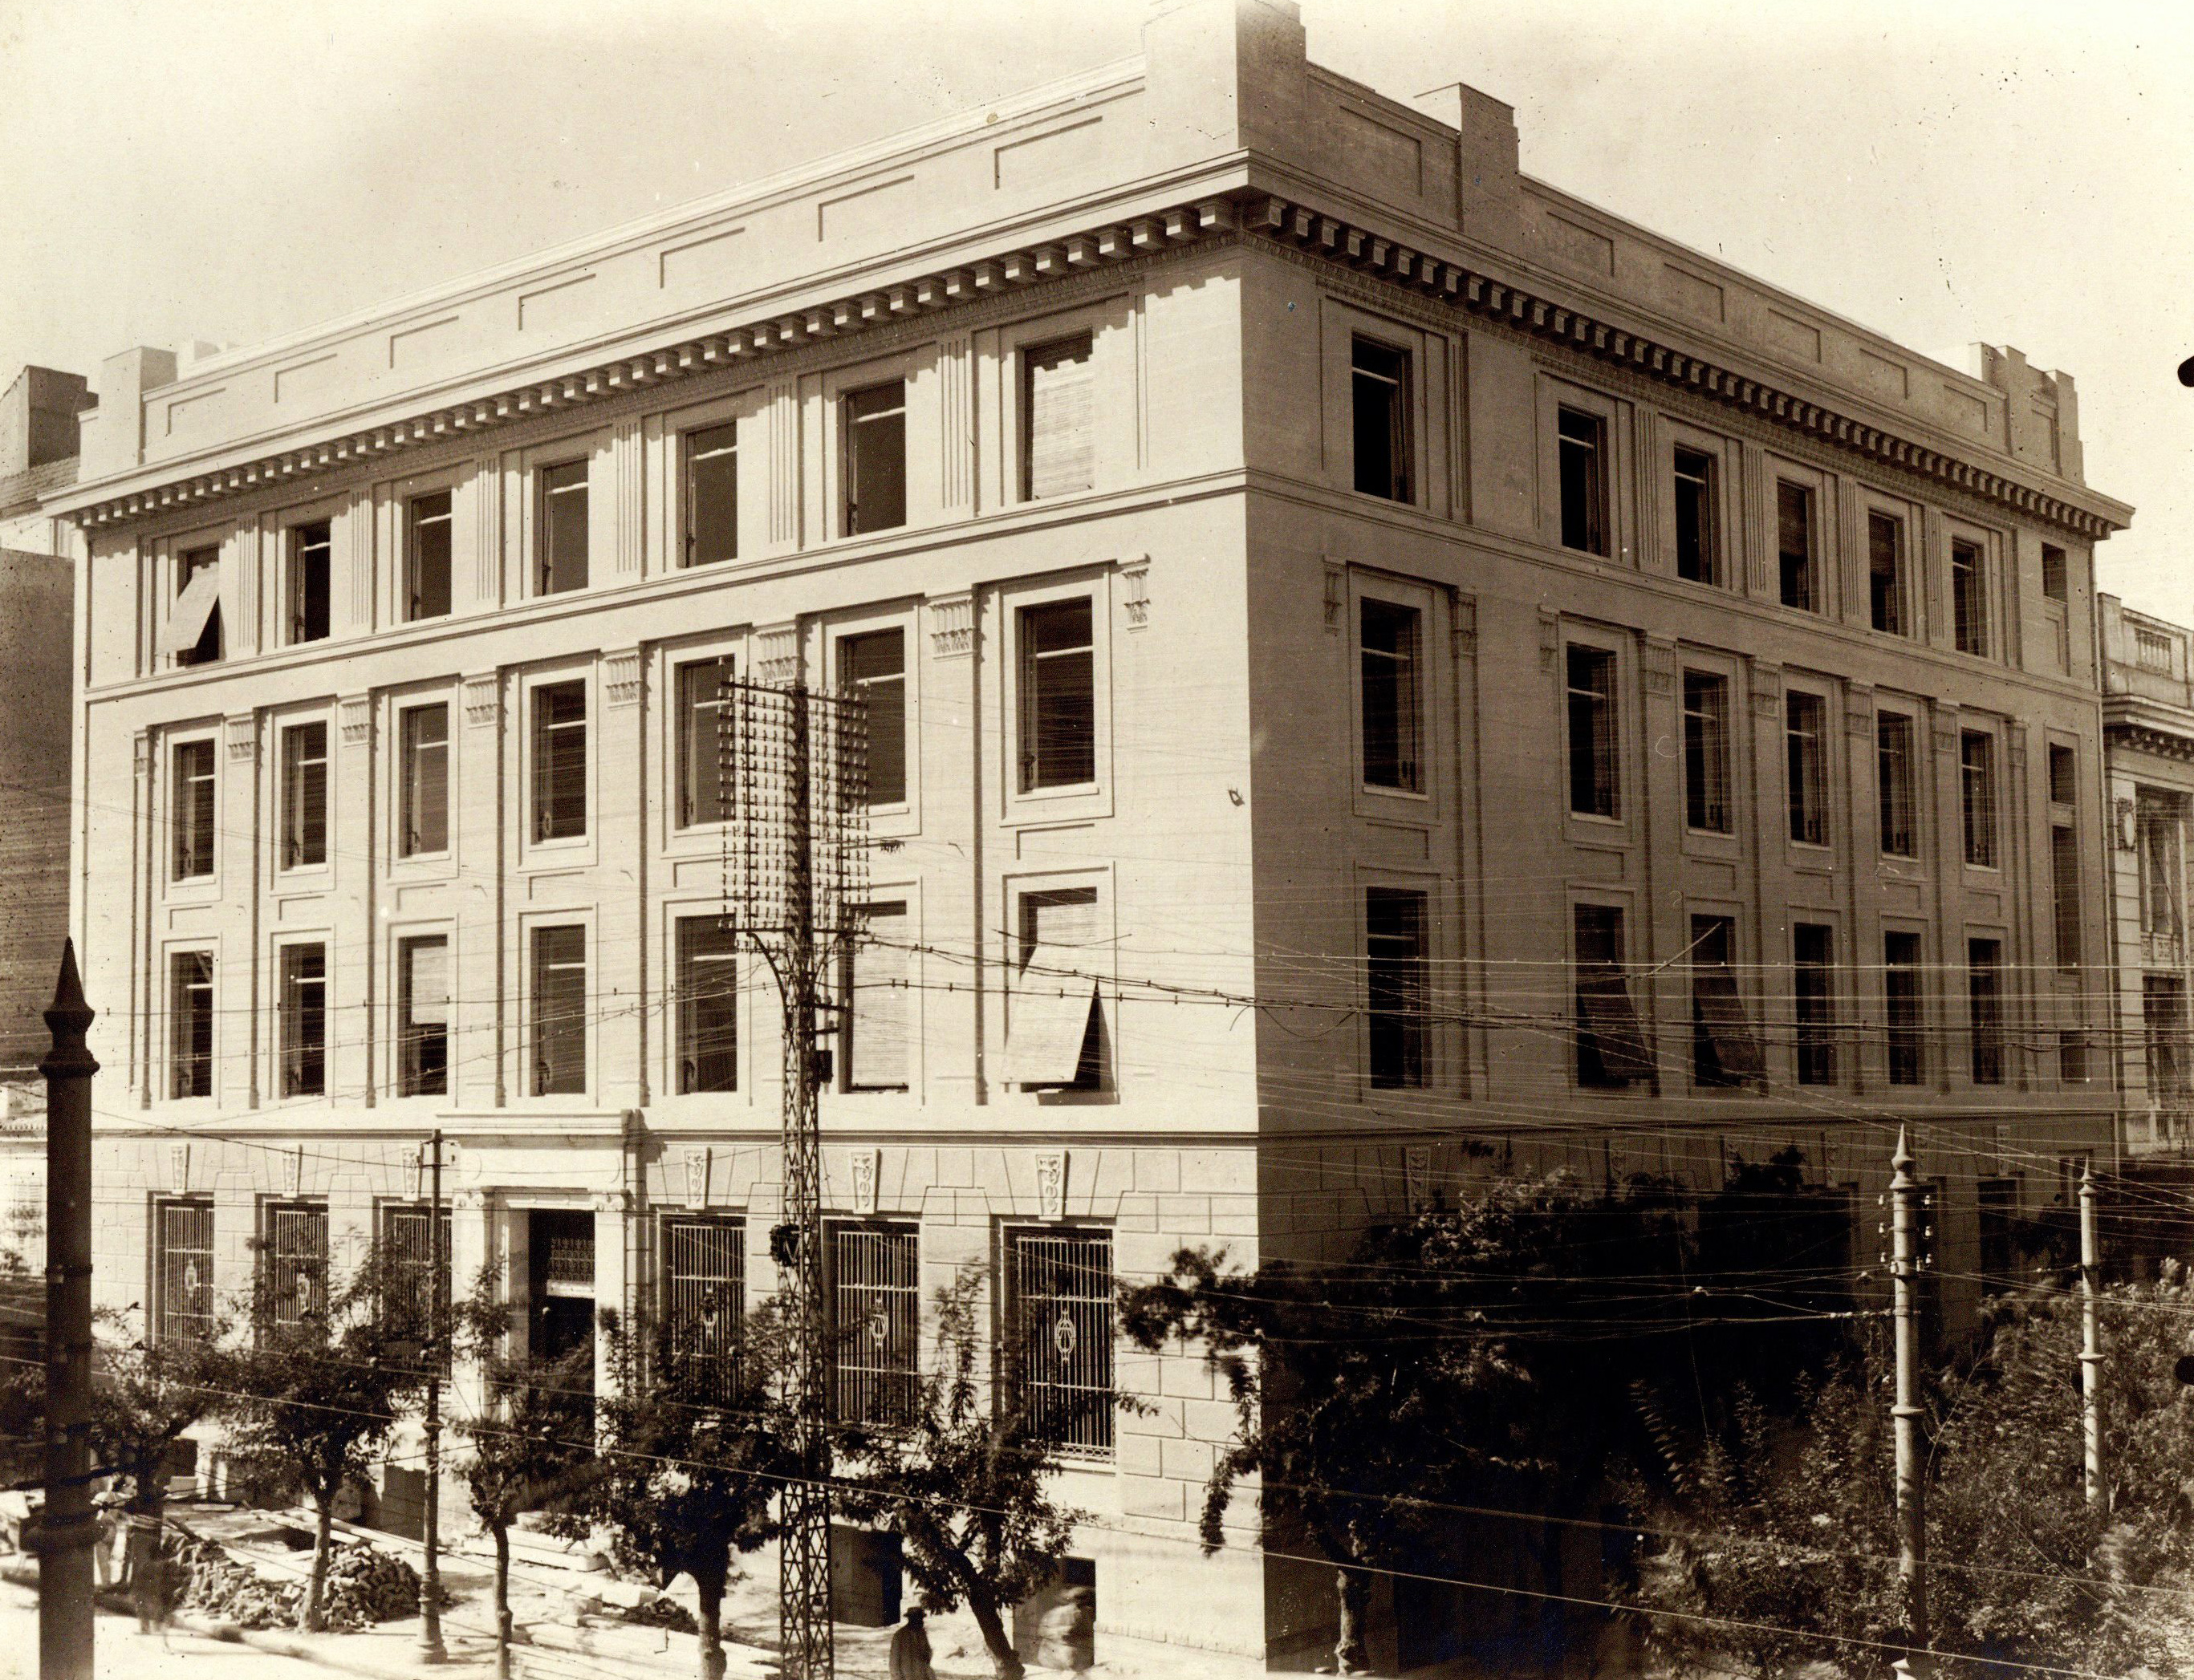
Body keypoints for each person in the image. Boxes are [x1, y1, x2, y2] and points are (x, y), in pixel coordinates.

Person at [888, 1604, 934, 1680]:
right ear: (911, 1619)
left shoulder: (922, 1634)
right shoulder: (900, 1636)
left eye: (921, 1618)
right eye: (918, 1618)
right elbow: (894, 1661)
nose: (921, 1621)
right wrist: (898, 1678)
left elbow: (927, 1653)